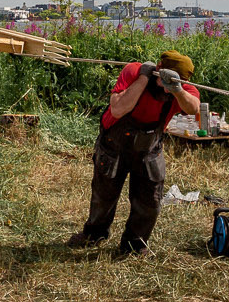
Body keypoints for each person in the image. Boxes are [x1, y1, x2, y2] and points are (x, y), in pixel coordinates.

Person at [66, 50, 201, 257]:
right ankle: (94, 234)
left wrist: (176, 89)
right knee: (104, 195)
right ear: (158, 69)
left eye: (177, 80)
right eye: (164, 77)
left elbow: (193, 108)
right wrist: (144, 78)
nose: (164, 85)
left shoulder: (182, 88)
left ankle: (134, 245)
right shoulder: (134, 72)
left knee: (149, 201)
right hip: (114, 146)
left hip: (148, 151)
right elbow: (118, 109)